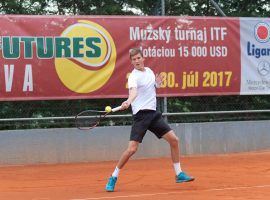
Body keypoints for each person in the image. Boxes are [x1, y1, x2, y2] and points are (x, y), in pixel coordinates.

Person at [105, 48, 194, 192]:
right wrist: (128, 101)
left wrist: (157, 84)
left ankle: (179, 174)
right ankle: (113, 176)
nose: (136, 61)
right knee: (132, 149)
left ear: (142, 58)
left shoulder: (150, 72)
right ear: (131, 62)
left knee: (174, 140)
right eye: (133, 60)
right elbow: (134, 92)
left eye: (138, 58)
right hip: (140, 116)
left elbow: (151, 88)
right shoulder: (133, 77)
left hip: (153, 115)